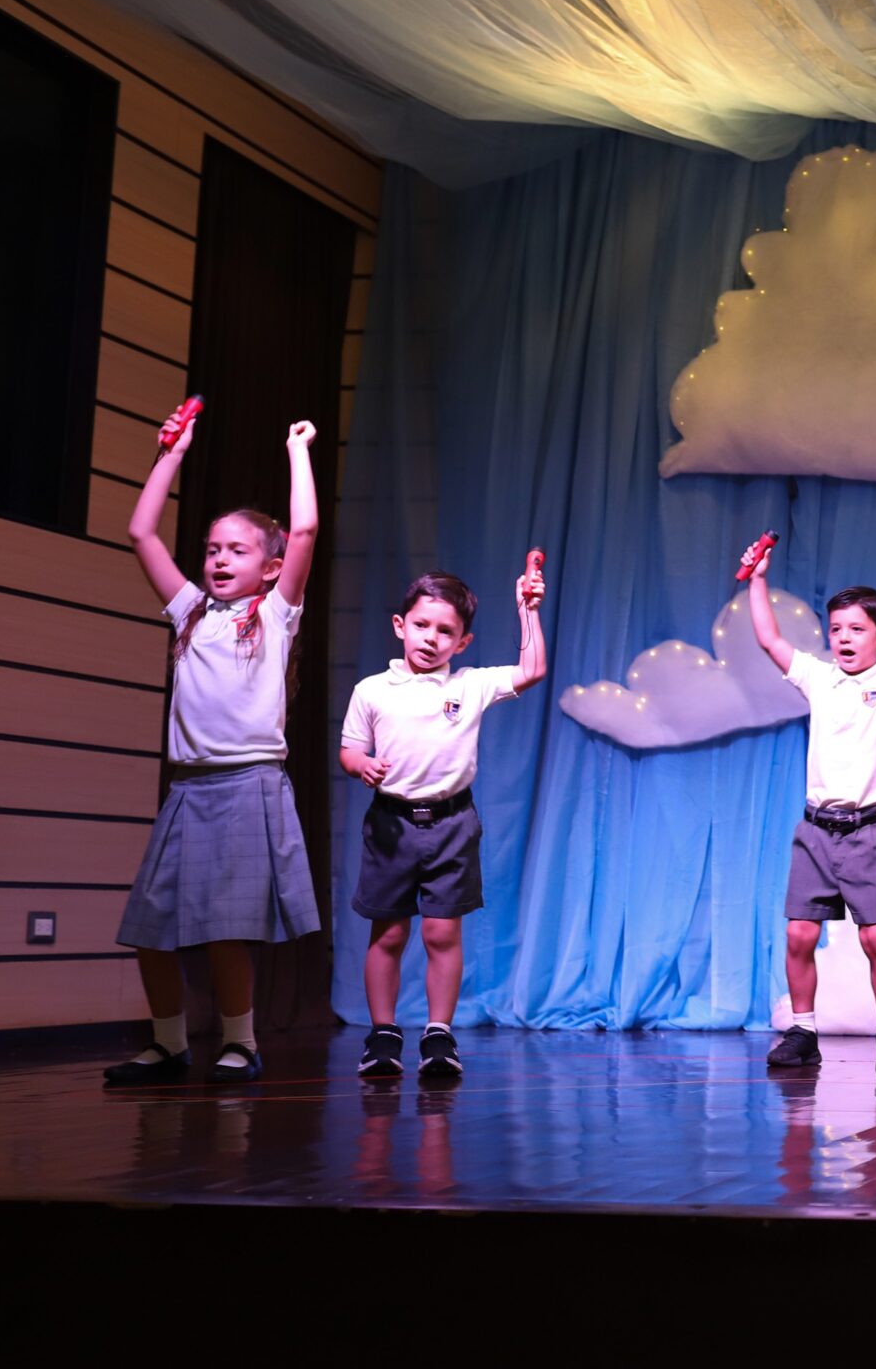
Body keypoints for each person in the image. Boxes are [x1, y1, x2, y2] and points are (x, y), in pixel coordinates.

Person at [103, 406, 322, 1086]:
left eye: (237, 550)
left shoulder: (275, 616)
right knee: (150, 928)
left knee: (227, 929)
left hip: (247, 783)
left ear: (272, 567)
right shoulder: (191, 613)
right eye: (212, 549)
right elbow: (141, 532)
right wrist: (171, 453)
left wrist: (298, 449)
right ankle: (169, 1044)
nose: (220, 558)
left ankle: (240, 1042)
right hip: (189, 790)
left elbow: (305, 528)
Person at [340, 554, 548, 1081]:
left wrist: (527, 610)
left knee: (440, 934)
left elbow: (532, 670)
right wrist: (362, 764)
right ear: (400, 626)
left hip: (452, 825)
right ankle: (383, 1034)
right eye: (421, 625)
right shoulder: (371, 690)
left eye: (445, 631)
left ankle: (439, 1033)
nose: (430, 638)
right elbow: (349, 750)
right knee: (388, 934)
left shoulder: (469, 685)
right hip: (391, 825)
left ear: (463, 642)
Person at [745, 538, 876, 1073]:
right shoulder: (819, 678)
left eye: (856, 629)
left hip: (868, 831)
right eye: (836, 630)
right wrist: (758, 578)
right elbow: (768, 638)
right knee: (799, 934)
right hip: (815, 831)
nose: (844, 639)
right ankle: (804, 1030)